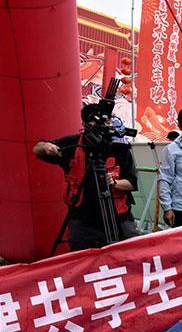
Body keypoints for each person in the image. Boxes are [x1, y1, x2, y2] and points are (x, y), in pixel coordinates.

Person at [33, 104, 139, 251]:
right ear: (85, 124)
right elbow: (37, 149)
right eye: (97, 122)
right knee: (82, 259)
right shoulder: (73, 144)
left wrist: (114, 182)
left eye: (108, 121)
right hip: (83, 220)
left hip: (119, 217)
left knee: (131, 255)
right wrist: (46, 146)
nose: (105, 126)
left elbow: (132, 183)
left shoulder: (120, 148)